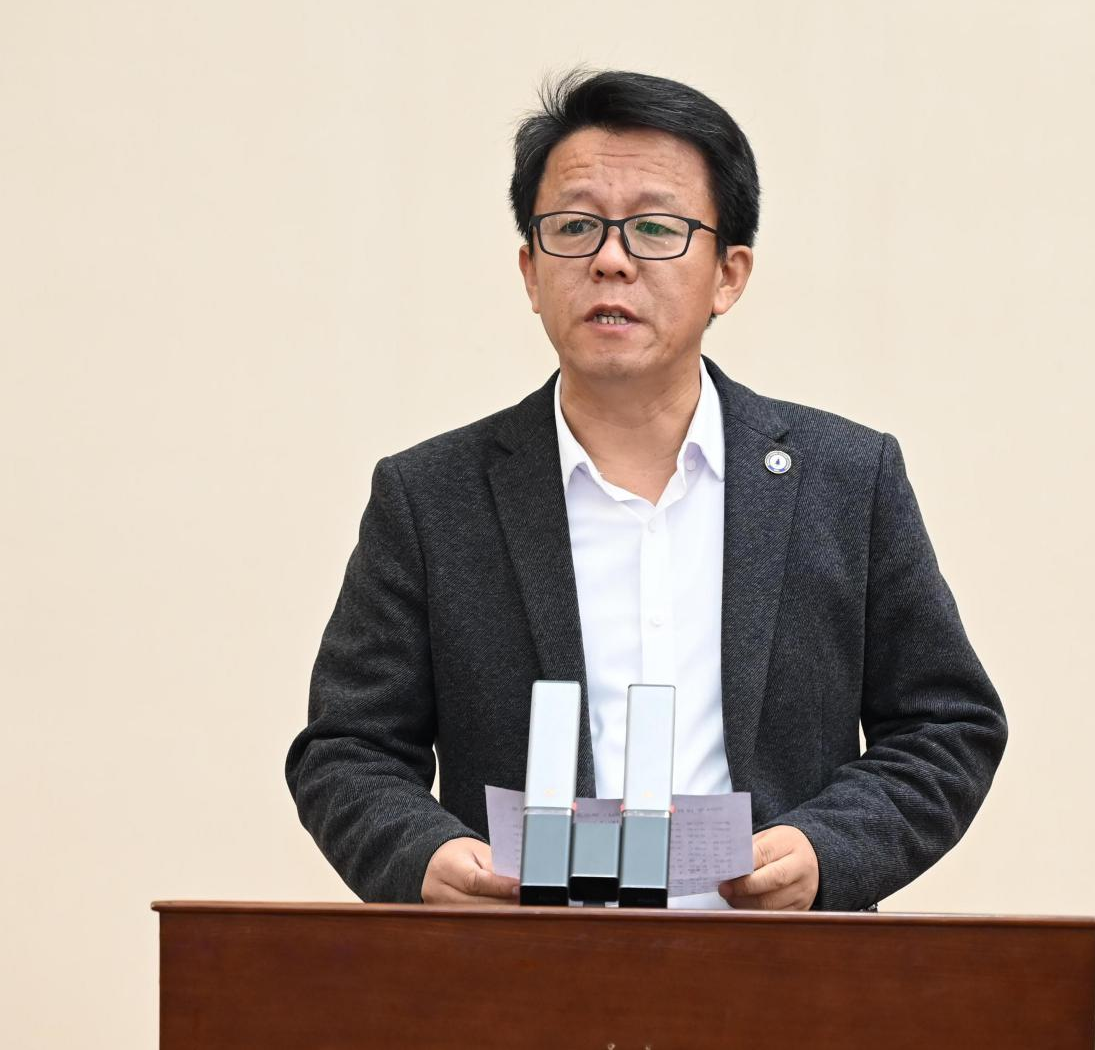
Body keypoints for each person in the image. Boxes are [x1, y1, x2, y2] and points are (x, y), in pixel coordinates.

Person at [285, 70, 1007, 912]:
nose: (610, 260)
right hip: (520, 967)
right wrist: (424, 854)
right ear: (529, 271)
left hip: (777, 968)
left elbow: (945, 725)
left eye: (656, 228)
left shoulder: (844, 478)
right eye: (574, 227)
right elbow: (348, 748)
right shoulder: (430, 496)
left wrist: (827, 848)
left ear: (728, 274)